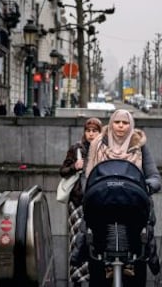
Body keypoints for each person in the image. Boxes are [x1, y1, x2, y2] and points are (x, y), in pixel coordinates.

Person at [85, 109, 161, 286]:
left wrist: (149, 185)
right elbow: (86, 175)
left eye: (125, 123)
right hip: (101, 205)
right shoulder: (97, 144)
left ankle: (145, 261)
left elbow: (154, 175)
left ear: (131, 125)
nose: (120, 126)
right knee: (90, 237)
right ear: (111, 123)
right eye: (117, 122)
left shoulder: (139, 146)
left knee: (143, 234)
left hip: (132, 206)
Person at [59, 117, 102, 286]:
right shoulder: (77, 148)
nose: (91, 134)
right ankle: (77, 280)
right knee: (77, 239)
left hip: (98, 202)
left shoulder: (104, 149)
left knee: (95, 241)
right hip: (78, 202)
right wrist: (75, 167)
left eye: (94, 131)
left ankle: (94, 279)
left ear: (100, 132)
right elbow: (62, 171)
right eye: (88, 130)